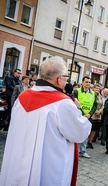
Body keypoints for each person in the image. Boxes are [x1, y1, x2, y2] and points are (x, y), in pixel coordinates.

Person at [0, 57, 91, 185]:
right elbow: (79, 133)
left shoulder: (22, 97)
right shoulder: (63, 103)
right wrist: (79, 111)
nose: (67, 81)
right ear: (59, 79)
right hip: (47, 169)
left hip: (18, 161)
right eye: (66, 77)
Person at [74, 76, 97, 158]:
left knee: (86, 133)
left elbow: (95, 105)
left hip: (88, 117)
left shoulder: (93, 93)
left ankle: (82, 151)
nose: (88, 84)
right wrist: (83, 113)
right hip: (79, 115)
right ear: (82, 82)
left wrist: (90, 114)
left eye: (89, 82)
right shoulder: (77, 91)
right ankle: (74, 151)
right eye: (86, 82)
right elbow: (74, 103)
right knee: (76, 133)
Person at [87, 83, 103, 149]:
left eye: (99, 89)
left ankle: (90, 142)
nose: (98, 89)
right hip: (91, 114)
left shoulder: (100, 96)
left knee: (94, 129)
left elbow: (102, 105)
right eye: (96, 88)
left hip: (98, 115)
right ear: (93, 88)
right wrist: (95, 110)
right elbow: (89, 104)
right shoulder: (90, 95)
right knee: (89, 129)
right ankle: (85, 142)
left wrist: (100, 111)